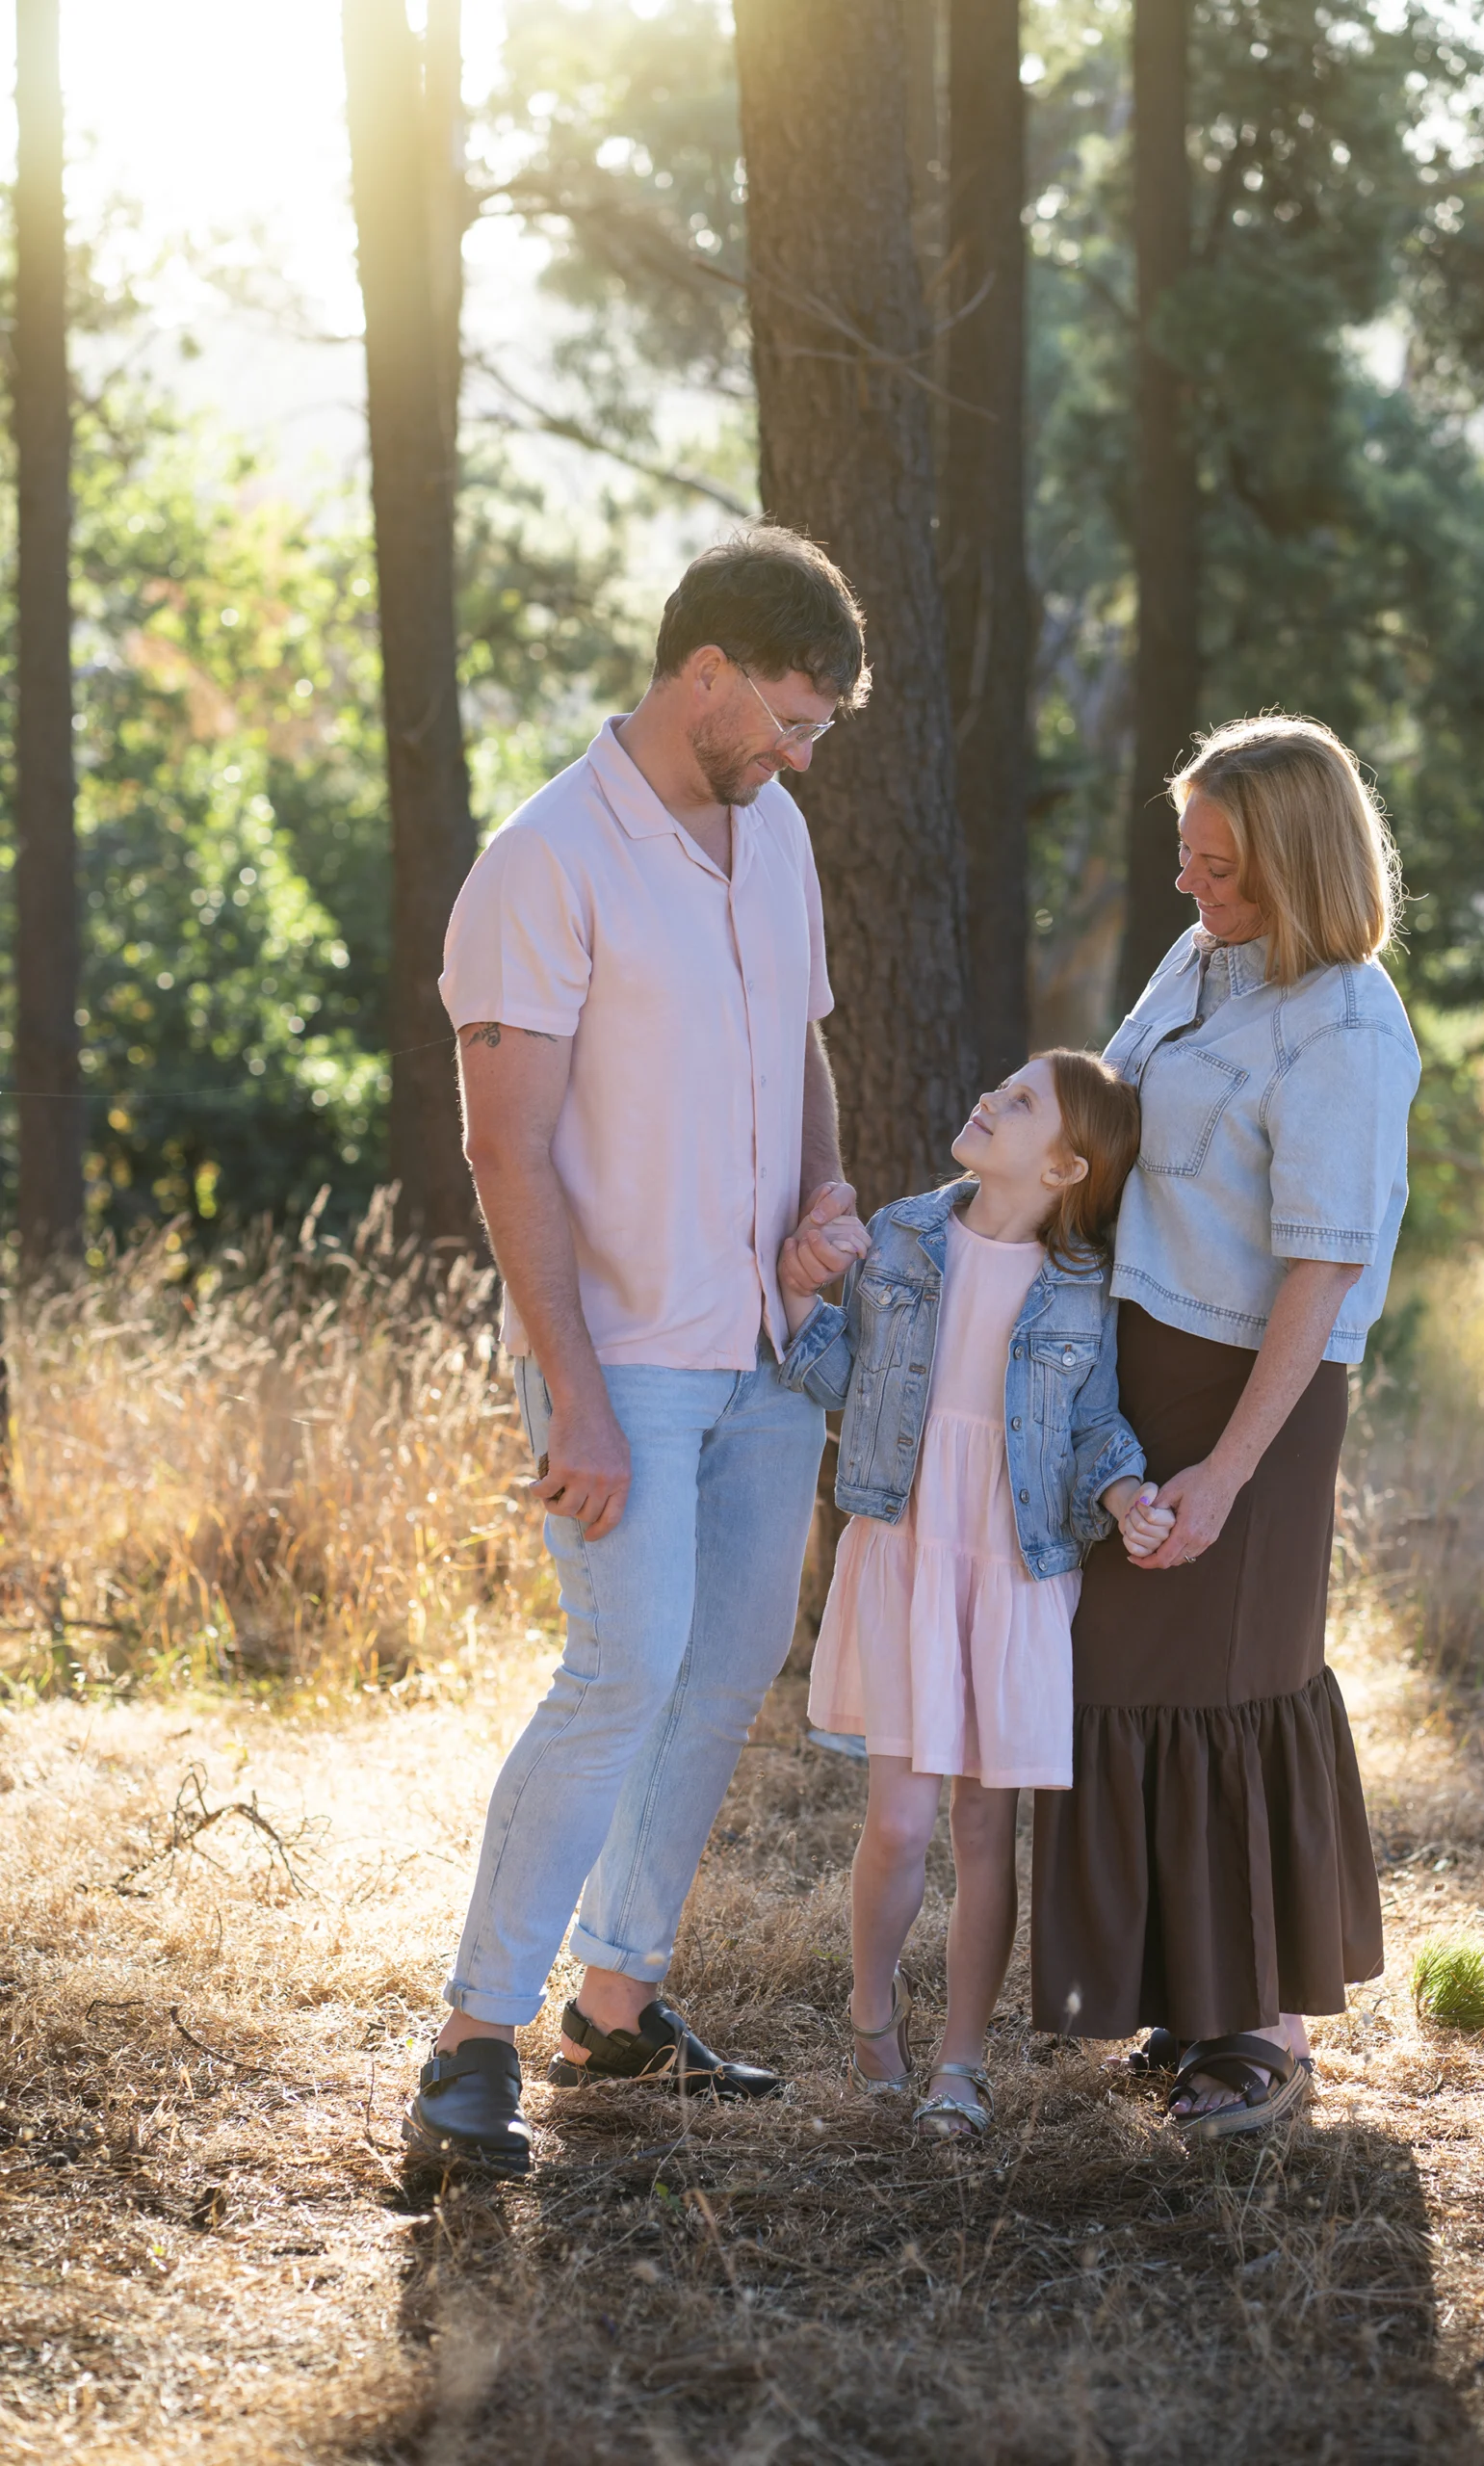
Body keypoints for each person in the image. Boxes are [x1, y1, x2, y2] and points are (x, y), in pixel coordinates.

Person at [404, 526, 874, 2177]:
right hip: (620, 1364)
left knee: (724, 1665)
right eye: (794, 719)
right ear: (706, 675)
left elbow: (802, 1045)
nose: (802, 752)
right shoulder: (547, 860)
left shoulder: (776, 830)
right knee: (619, 1668)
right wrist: (578, 1399)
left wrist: (819, 1198)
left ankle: (613, 2009)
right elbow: (503, 1151)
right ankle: (471, 2043)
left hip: (762, 1352)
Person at [1031, 715, 1420, 2142]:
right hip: (1141, 1362)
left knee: (1237, 1682)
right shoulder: (1204, 960)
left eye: (1223, 870)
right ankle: (1187, 2001)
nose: (1193, 890)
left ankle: (1264, 2026)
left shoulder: (1348, 1026)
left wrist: (1227, 1467)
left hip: (1252, 1388)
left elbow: (1320, 1267)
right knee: (1127, 1687)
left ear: (1303, 865)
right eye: (1185, 861)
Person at [777, 1051, 1173, 2140]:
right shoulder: (903, 1235)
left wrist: (1128, 1490)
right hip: (905, 1545)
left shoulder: (1086, 1289)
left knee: (985, 1824)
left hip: (1012, 1565)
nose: (988, 1100)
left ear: (1064, 1166)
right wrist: (799, 1293)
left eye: (1020, 1101)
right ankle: (870, 2013)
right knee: (899, 1822)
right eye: (998, 1087)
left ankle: (961, 2059)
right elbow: (839, 1381)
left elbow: (1094, 1427)